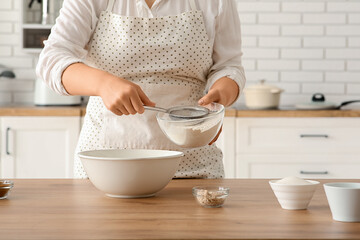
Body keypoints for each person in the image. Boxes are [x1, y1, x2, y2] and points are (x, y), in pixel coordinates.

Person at [36, 0, 246, 179]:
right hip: (106, 169)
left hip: (194, 166)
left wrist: (221, 94)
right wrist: (103, 84)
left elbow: (229, 66)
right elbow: (52, 60)